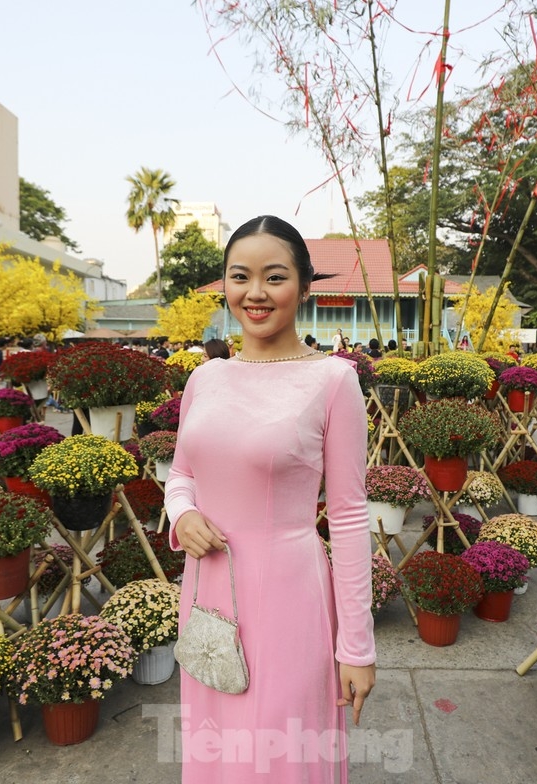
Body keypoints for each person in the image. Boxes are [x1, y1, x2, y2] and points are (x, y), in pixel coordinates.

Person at [166, 215, 375, 781]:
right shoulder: (205, 379)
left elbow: (349, 517)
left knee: (280, 756)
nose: (255, 293)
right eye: (240, 277)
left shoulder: (333, 381)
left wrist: (356, 648)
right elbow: (181, 472)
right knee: (217, 750)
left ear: (304, 287)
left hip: (288, 598)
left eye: (275, 277)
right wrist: (182, 514)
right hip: (208, 592)